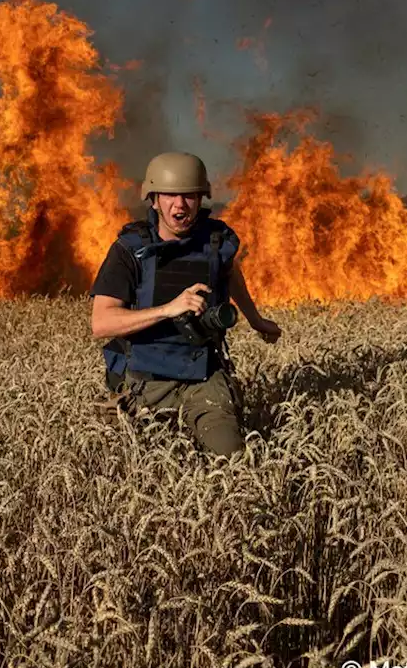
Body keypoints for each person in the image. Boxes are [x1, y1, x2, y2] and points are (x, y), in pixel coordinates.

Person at [90, 151, 281, 456]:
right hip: (147, 383)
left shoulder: (216, 242)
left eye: (189, 196)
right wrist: (168, 309)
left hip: (204, 378)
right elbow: (101, 323)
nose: (180, 205)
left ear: (200, 198)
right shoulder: (130, 250)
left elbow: (230, 273)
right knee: (138, 464)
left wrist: (256, 320)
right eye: (170, 195)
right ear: (154, 199)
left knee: (232, 460)